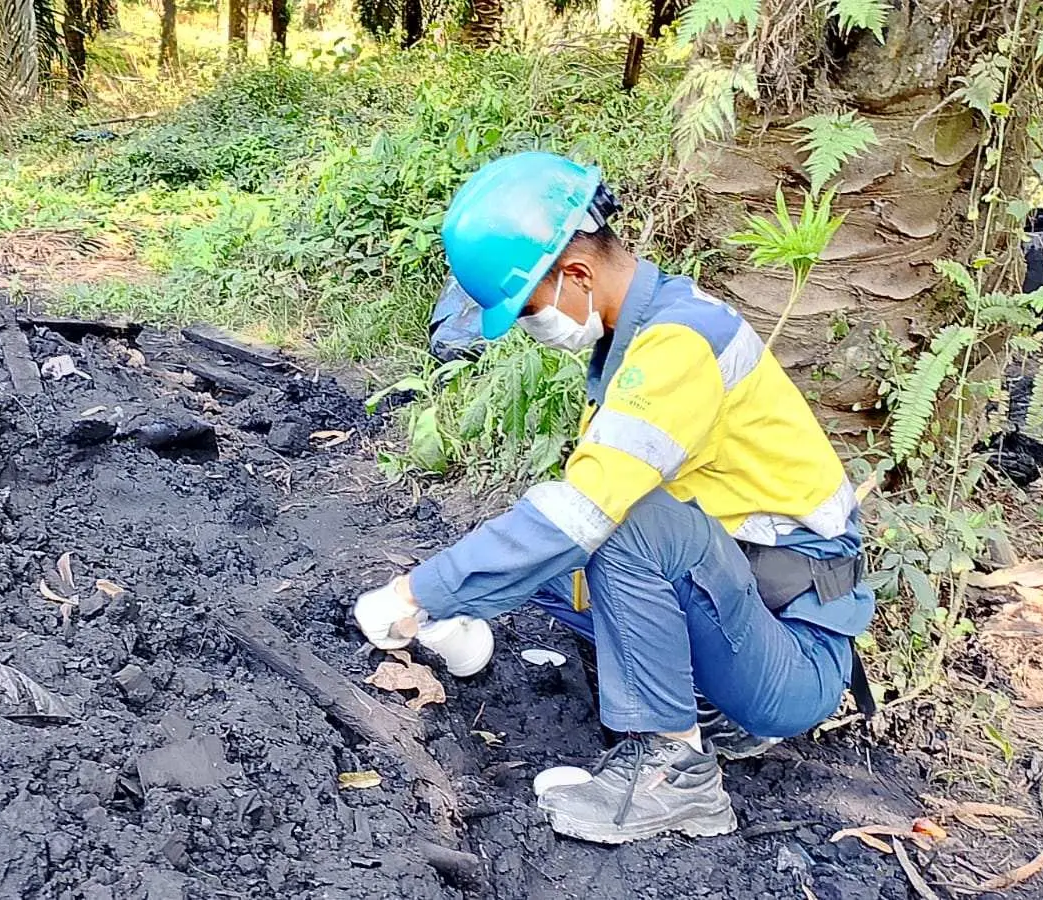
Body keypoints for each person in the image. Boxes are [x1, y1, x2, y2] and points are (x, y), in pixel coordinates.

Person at [353, 152, 875, 845]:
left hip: (794, 656)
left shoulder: (676, 348)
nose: (534, 328)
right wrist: (462, 604)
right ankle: (706, 709)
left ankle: (674, 773)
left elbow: (591, 514)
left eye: (530, 312)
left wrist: (420, 593)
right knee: (542, 564)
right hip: (754, 605)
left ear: (575, 275)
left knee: (614, 527)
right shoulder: (641, 335)